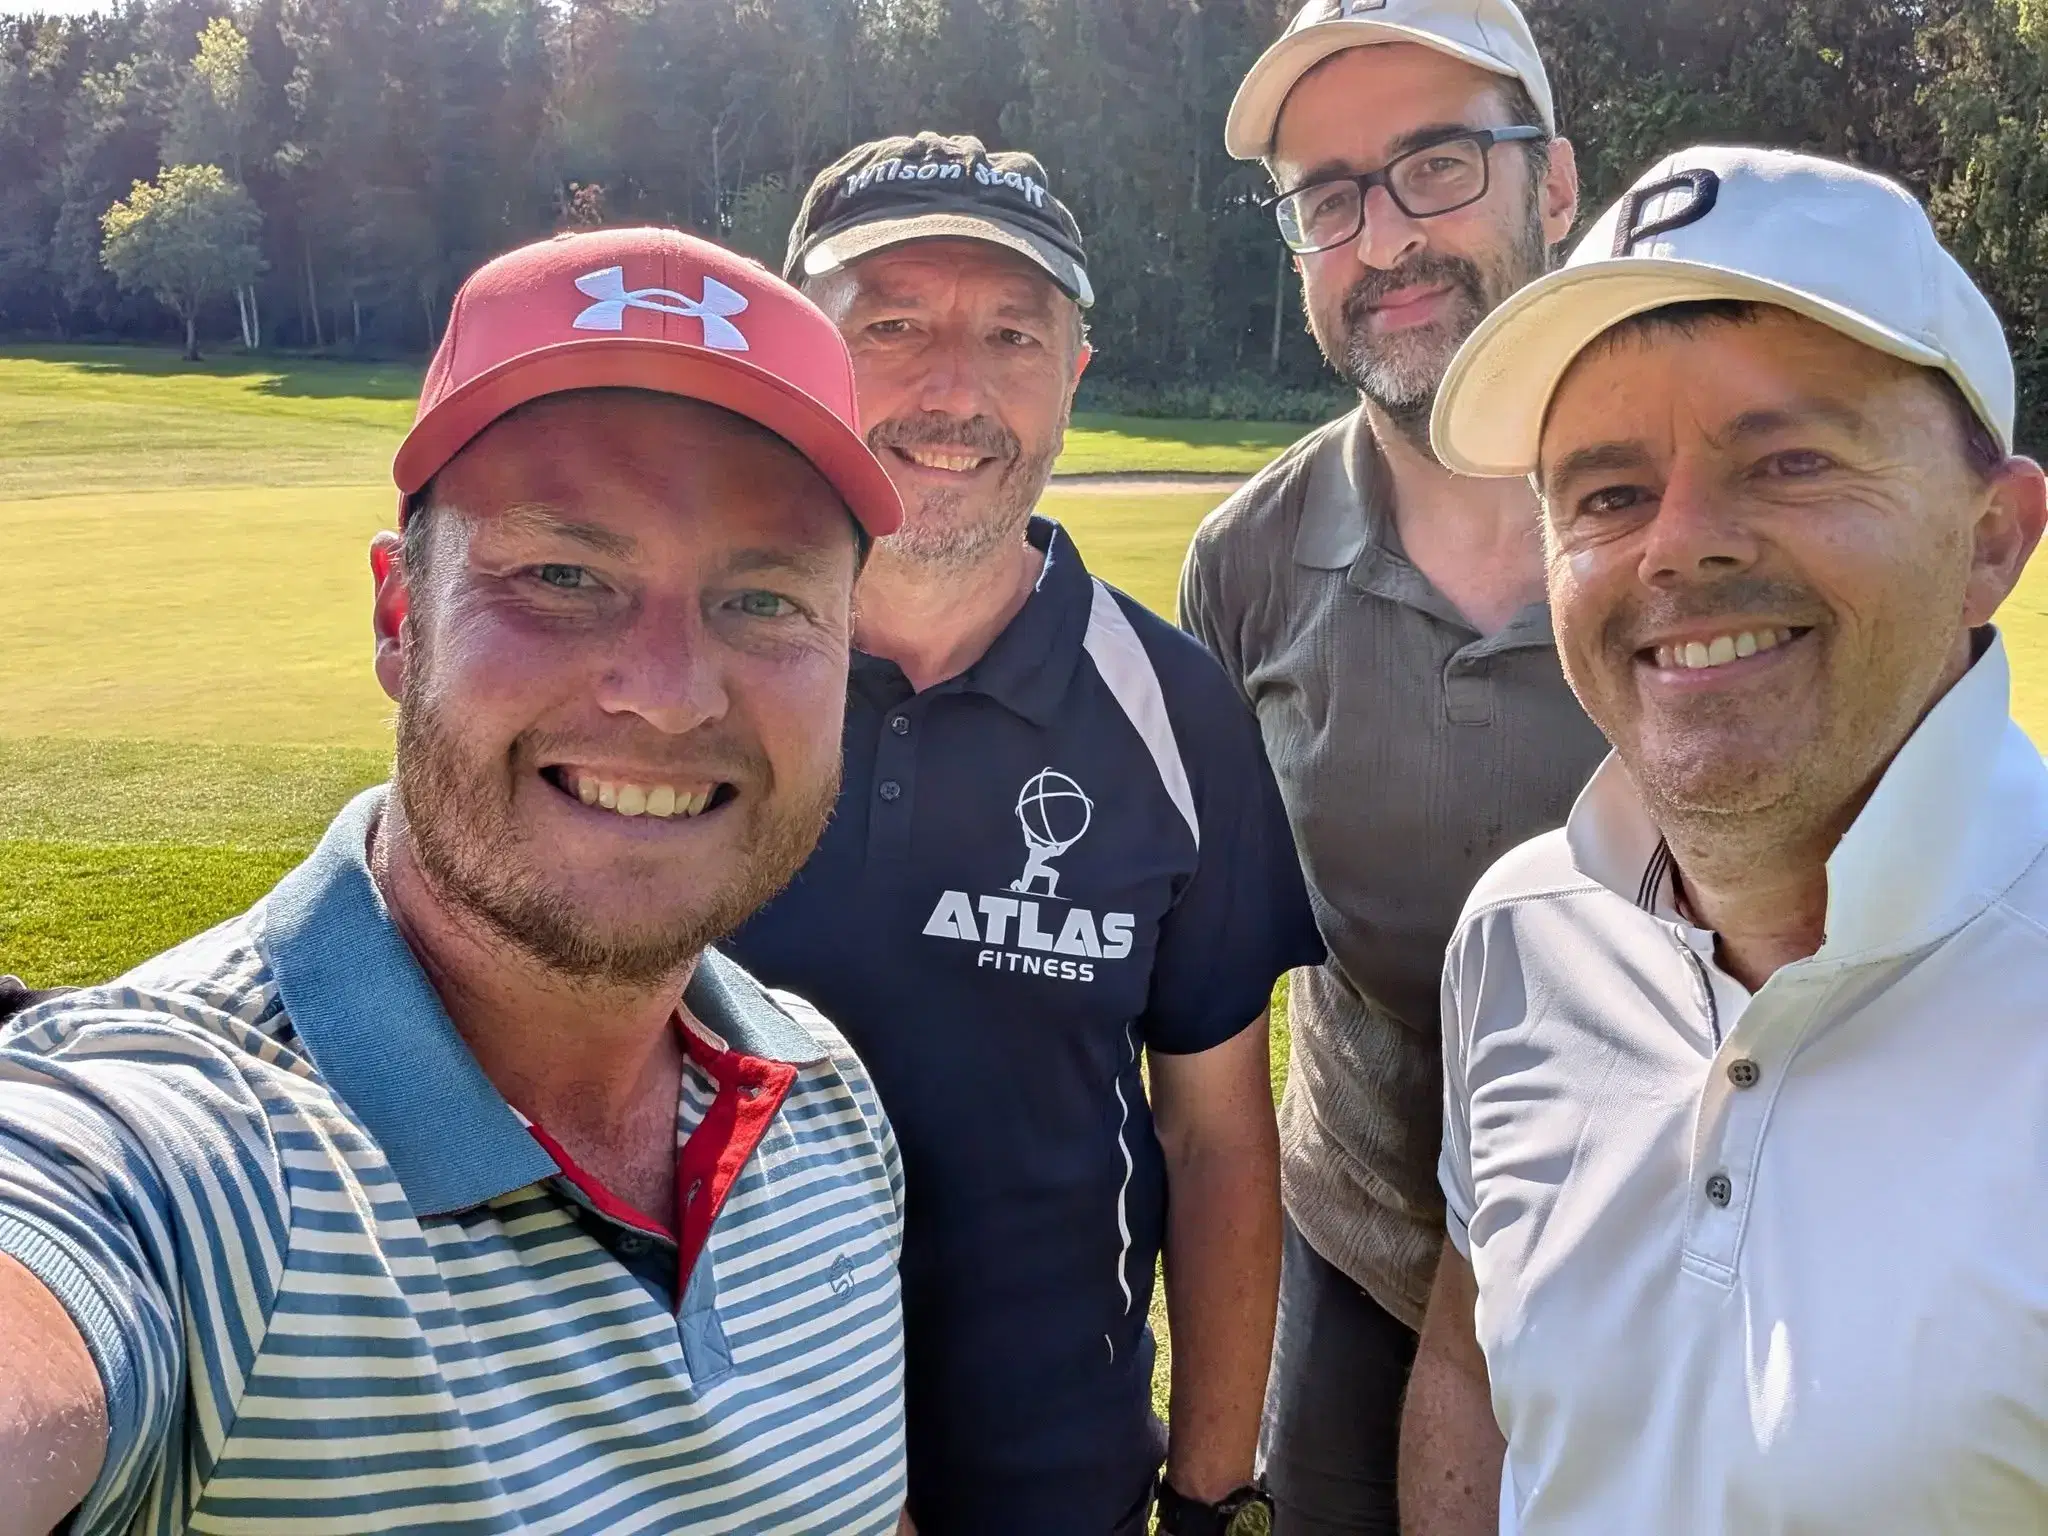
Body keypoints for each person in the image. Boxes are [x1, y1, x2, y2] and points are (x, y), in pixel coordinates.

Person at [0, 226, 917, 1535]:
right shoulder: (197, 1153)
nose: (667, 696)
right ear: (400, 617)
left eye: (765, 600)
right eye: (562, 575)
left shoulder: (828, 1103)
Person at [1406, 145, 2048, 1532]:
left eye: (1790, 461)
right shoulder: (1520, 936)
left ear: (1993, 538)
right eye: (1608, 494)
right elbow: (1473, 1355)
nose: (1680, 546)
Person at [725, 131, 1323, 1536]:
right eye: (893, 326)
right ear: (802, 351)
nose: (955, 390)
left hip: (1057, 1484)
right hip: (703, 1474)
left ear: (1073, 376)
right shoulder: (689, 675)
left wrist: (1213, 1494)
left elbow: (1217, 1140)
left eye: (1011, 335)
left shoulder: (1177, 712)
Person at [1178, 2, 1606, 1528]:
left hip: (1669, 1268)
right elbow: (1203, 996)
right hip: (1360, 1258)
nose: (1385, 240)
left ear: (1556, 186)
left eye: (1437, 166)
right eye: (1330, 196)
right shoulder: (1244, 566)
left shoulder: (1690, 525)